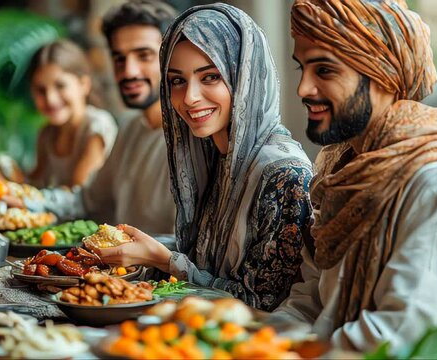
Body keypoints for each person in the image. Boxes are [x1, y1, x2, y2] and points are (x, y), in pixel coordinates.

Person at [271, 0, 437, 352]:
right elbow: (311, 300)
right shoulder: (342, 168)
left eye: (324, 71)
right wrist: (256, 341)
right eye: (302, 69)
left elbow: (397, 340)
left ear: (381, 73)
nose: (303, 89)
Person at [96, 3, 313, 311]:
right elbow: (204, 261)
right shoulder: (212, 155)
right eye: (177, 80)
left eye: (210, 77)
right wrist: (146, 250)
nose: (189, 98)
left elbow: (261, 305)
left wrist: (164, 259)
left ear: (244, 78)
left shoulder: (283, 175)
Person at [28, 0, 178, 235]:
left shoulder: (194, 138)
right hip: (115, 269)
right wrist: (26, 202)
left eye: (144, 55)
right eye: (119, 58)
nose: (129, 71)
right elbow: (87, 200)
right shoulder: (129, 129)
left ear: (172, 59)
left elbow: (191, 245)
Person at [27, 39, 117, 188]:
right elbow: (33, 187)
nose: (50, 99)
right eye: (41, 90)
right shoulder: (47, 134)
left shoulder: (97, 126)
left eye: (60, 86)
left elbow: (76, 194)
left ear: (84, 85)